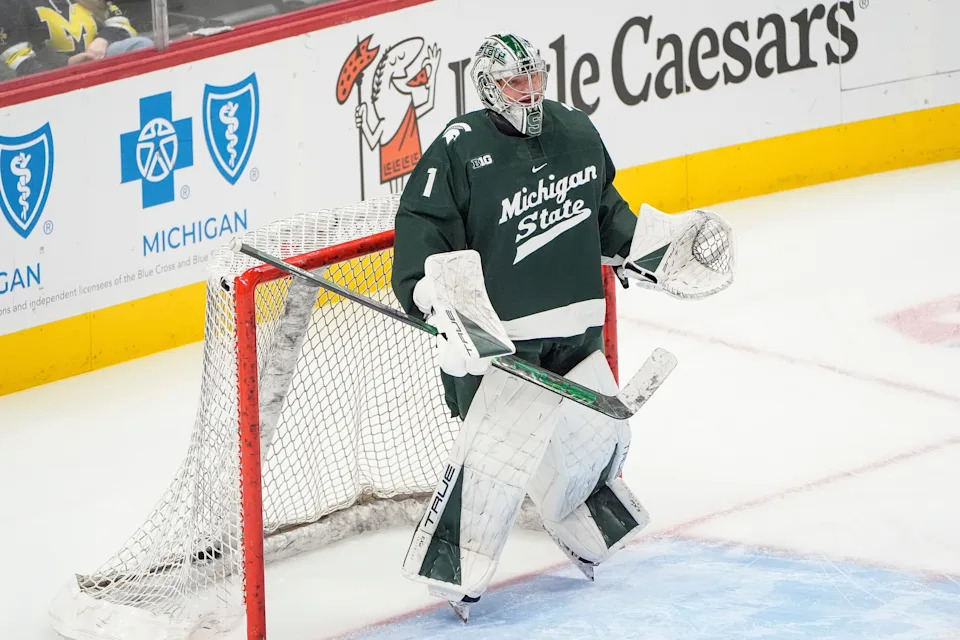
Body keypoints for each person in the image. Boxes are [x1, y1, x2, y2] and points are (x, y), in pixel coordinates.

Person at [391, 33, 733, 620]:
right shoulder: (456, 150)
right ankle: (456, 575)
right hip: (504, 351)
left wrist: (659, 253)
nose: (528, 92)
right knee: (494, 470)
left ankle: (588, 531)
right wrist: (439, 304)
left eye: (534, 79)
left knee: (599, 444)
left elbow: (607, 218)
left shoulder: (576, 132)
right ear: (487, 87)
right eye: (513, 83)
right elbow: (424, 236)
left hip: (576, 336)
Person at [1, 0, 151, 79]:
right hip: (56, 79)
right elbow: (18, 61)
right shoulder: (11, 4)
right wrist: (66, 64)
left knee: (142, 46)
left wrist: (103, 40)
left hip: (101, 61)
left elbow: (121, 22)